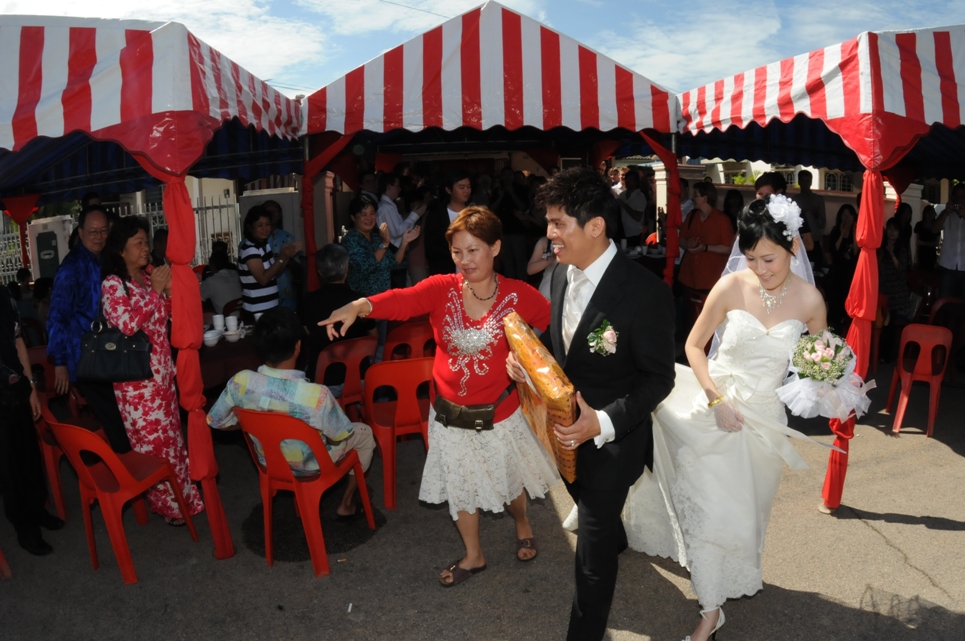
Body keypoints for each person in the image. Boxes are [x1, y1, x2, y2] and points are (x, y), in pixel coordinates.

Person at [624, 195, 827, 641]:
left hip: (763, 424)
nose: (761, 268)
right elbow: (694, 346)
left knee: (745, 515)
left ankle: (729, 579)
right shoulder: (732, 286)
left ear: (792, 246)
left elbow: (817, 362)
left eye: (769, 258)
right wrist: (717, 400)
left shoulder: (811, 300)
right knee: (712, 510)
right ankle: (711, 609)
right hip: (713, 411)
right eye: (752, 258)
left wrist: (829, 381)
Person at [322, 206, 559, 588]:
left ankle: (522, 520)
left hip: (500, 413)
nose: (464, 261)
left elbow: (554, 328)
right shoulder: (441, 289)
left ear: (496, 247)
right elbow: (401, 300)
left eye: (474, 250)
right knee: (460, 486)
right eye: (457, 252)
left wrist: (530, 360)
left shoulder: (518, 295)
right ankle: (474, 555)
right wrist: (360, 305)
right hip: (449, 414)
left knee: (511, 483)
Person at [508, 168, 676, 641]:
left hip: (612, 441)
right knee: (586, 504)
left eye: (559, 223)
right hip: (564, 438)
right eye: (549, 222)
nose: (549, 234)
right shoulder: (561, 275)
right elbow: (561, 348)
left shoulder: (647, 294)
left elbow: (658, 379)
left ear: (596, 226)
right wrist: (525, 363)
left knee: (592, 557)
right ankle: (616, 534)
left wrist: (600, 422)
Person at [207, 307, 376, 520]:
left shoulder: (240, 382)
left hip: (271, 463)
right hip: (313, 466)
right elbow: (340, 435)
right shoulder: (317, 396)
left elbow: (215, 420)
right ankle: (347, 503)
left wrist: (253, 422)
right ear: (298, 346)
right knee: (364, 433)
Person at [100, 216, 204, 525]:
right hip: (136, 386)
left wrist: (170, 291)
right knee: (154, 449)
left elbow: (165, 317)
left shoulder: (146, 278)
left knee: (173, 441)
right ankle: (171, 508)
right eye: (139, 243)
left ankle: (186, 499)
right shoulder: (113, 284)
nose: (146, 248)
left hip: (161, 377)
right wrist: (157, 292)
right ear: (121, 250)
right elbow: (128, 325)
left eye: (146, 242)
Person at [47, 206, 132, 453]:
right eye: (93, 231)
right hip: (88, 356)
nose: (99, 236)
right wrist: (60, 362)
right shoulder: (70, 268)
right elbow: (56, 317)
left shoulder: (109, 258)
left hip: (113, 348)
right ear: (81, 232)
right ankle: (127, 470)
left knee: (125, 410)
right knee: (114, 416)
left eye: (103, 231)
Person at [1, 285, 64, 555]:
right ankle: (24, 527)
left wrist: (31, 388)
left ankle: (38, 509)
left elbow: (18, 342)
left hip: (17, 390)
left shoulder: (3, 296)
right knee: (9, 467)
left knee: (29, 456)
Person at [301, 243, 376, 384]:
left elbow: (309, 334)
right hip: (359, 376)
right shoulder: (361, 301)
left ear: (319, 271)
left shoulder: (308, 301)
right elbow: (374, 338)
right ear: (347, 269)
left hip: (322, 379)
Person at [238, 205, 302, 322]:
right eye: (260, 225)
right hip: (257, 311)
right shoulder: (249, 248)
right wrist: (282, 257)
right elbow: (263, 279)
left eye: (267, 224)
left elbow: (275, 273)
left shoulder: (264, 245)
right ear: (250, 227)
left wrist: (286, 256)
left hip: (270, 308)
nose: (265, 229)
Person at [678, 182, 735, 293]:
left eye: (696, 195)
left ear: (704, 198)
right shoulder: (692, 216)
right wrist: (688, 245)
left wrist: (705, 248)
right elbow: (681, 239)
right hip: (688, 277)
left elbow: (729, 248)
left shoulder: (722, 220)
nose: (693, 198)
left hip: (711, 280)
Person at [424, 169, 471, 276]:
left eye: (468, 187)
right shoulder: (436, 215)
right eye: (461, 187)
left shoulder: (474, 213)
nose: (466, 191)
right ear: (448, 190)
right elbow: (430, 249)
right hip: (445, 272)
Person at [491, 166, 530, 280]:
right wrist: (501, 195)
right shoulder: (497, 190)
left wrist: (512, 193)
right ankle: (510, 285)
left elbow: (524, 207)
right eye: (505, 175)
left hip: (518, 229)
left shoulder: (521, 189)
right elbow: (492, 208)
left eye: (510, 175)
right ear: (501, 177)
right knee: (507, 260)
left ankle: (523, 284)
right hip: (502, 229)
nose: (507, 178)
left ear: (513, 177)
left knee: (520, 259)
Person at [826, 204, 860, 329]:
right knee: (835, 307)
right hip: (837, 275)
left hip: (851, 275)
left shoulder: (856, 233)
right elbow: (834, 251)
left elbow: (856, 252)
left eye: (849, 215)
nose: (847, 218)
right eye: (844, 215)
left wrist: (854, 233)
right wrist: (842, 234)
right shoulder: (835, 231)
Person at [262, 200, 300, 311]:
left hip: (286, 292)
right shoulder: (255, 240)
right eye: (269, 211)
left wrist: (286, 258)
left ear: (280, 215)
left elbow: (297, 267)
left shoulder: (287, 237)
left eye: (276, 211)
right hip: (264, 296)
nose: (272, 214)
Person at [932, 183, 965, 299]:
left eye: (963, 197)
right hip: (947, 266)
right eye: (957, 197)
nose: (960, 201)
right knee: (945, 302)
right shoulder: (947, 214)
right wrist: (946, 212)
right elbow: (934, 230)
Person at [793, 171, 827, 268]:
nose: (805, 183)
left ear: (811, 182)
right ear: (799, 182)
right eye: (803, 181)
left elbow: (822, 223)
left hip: (815, 241)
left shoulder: (818, 200)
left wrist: (815, 216)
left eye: (808, 181)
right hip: (799, 242)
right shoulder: (795, 200)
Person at [199, 250, 243, 314]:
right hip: (243, 316)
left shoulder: (210, 281)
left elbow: (198, 299)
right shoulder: (236, 274)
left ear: (212, 266)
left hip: (223, 319)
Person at [617, 169, 648, 246]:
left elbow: (638, 217)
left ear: (636, 182)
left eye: (630, 179)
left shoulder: (640, 196)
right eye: (626, 179)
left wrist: (624, 205)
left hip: (635, 234)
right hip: (622, 232)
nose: (628, 181)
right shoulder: (622, 195)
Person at [915, 205, 940, 271]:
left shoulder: (936, 226)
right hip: (921, 253)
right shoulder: (919, 225)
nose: (930, 215)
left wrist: (924, 243)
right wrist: (916, 256)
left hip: (931, 254)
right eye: (928, 213)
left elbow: (937, 243)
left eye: (932, 213)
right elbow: (917, 242)